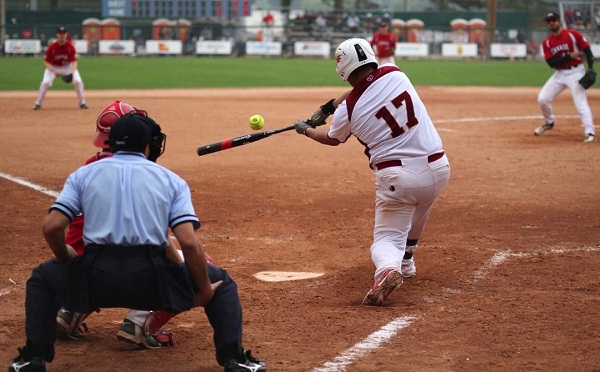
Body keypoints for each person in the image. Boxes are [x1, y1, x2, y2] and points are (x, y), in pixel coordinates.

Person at [9, 112, 266, 371]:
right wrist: (204, 290)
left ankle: (33, 358)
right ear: (148, 145)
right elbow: (188, 243)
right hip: (153, 281)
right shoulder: (170, 180)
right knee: (222, 284)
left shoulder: (83, 175)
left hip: (94, 280)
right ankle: (235, 360)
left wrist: (64, 258)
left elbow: (52, 227)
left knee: (42, 278)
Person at [293, 38, 450, 306]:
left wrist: (306, 130)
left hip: (398, 180)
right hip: (438, 168)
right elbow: (365, 84)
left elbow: (332, 138)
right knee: (419, 209)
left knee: (386, 239)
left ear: (343, 69)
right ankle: (407, 261)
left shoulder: (348, 111)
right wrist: (328, 107)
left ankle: (388, 269)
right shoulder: (395, 72)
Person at [55, 100, 215, 349]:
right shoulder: (147, 176)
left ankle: (72, 308)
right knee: (199, 264)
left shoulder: (87, 168)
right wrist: (185, 272)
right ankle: (139, 323)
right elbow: (159, 240)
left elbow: (54, 226)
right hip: (124, 270)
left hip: (81, 267)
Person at [536, 12, 595, 143]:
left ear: (559, 21)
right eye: (549, 21)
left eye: (554, 20)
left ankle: (589, 132)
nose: (552, 23)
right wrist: (569, 56)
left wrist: (590, 68)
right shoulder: (547, 42)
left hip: (576, 72)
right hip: (559, 74)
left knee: (580, 103)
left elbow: (587, 50)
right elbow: (552, 64)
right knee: (542, 99)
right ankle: (549, 122)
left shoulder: (573, 35)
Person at [33, 26, 87, 111]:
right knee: (45, 82)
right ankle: (38, 103)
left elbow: (74, 62)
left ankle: (82, 103)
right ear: (57, 35)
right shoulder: (52, 47)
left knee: (78, 81)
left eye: (63, 33)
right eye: (60, 33)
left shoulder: (70, 46)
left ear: (66, 35)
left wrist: (72, 73)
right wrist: (54, 71)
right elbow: (46, 62)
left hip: (67, 67)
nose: (62, 35)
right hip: (53, 67)